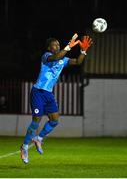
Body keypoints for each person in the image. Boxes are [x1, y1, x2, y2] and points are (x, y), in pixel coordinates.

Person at [20, 34, 93, 164]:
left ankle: (39, 138)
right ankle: (24, 147)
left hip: (48, 94)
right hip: (38, 92)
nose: (57, 46)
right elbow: (56, 57)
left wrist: (83, 51)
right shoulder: (46, 56)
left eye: (58, 44)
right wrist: (68, 46)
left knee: (54, 121)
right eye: (54, 44)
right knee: (36, 121)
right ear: (49, 47)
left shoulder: (63, 60)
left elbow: (78, 61)